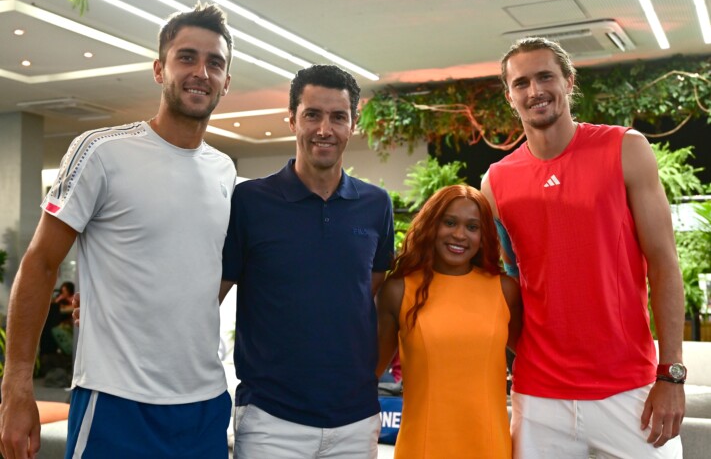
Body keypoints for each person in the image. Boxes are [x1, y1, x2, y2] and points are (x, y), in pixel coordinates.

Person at [0, 3, 236, 459]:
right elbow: (41, 262)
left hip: (204, 404)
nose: (201, 72)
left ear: (226, 80)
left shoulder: (224, 170)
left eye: (215, 62)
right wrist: (16, 387)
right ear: (158, 69)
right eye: (186, 57)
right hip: (116, 402)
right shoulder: (100, 152)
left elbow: (203, 272)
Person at [481, 37, 686, 458]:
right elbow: (511, 284)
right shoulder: (495, 184)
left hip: (631, 390)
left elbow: (664, 263)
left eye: (545, 77)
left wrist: (671, 375)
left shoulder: (626, 149)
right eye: (521, 83)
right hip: (539, 398)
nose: (534, 91)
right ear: (510, 95)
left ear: (568, 82)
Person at [219, 64, 395, 458]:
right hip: (270, 420)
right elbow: (209, 294)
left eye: (338, 117)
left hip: (355, 419)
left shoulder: (375, 205)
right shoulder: (249, 202)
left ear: (353, 123)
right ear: (292, 119)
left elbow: (370, 286)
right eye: (312, 114)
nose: (324, 129)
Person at [376, 184, 522, 458]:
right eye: (450, 222)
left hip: (489, 444)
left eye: (472, 227)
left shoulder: (504, 289)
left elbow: (532, 357)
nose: (459, 235)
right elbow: (369, 371)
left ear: (483, 235)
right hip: (422, 444)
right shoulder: (398, 290)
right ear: (432, 224)